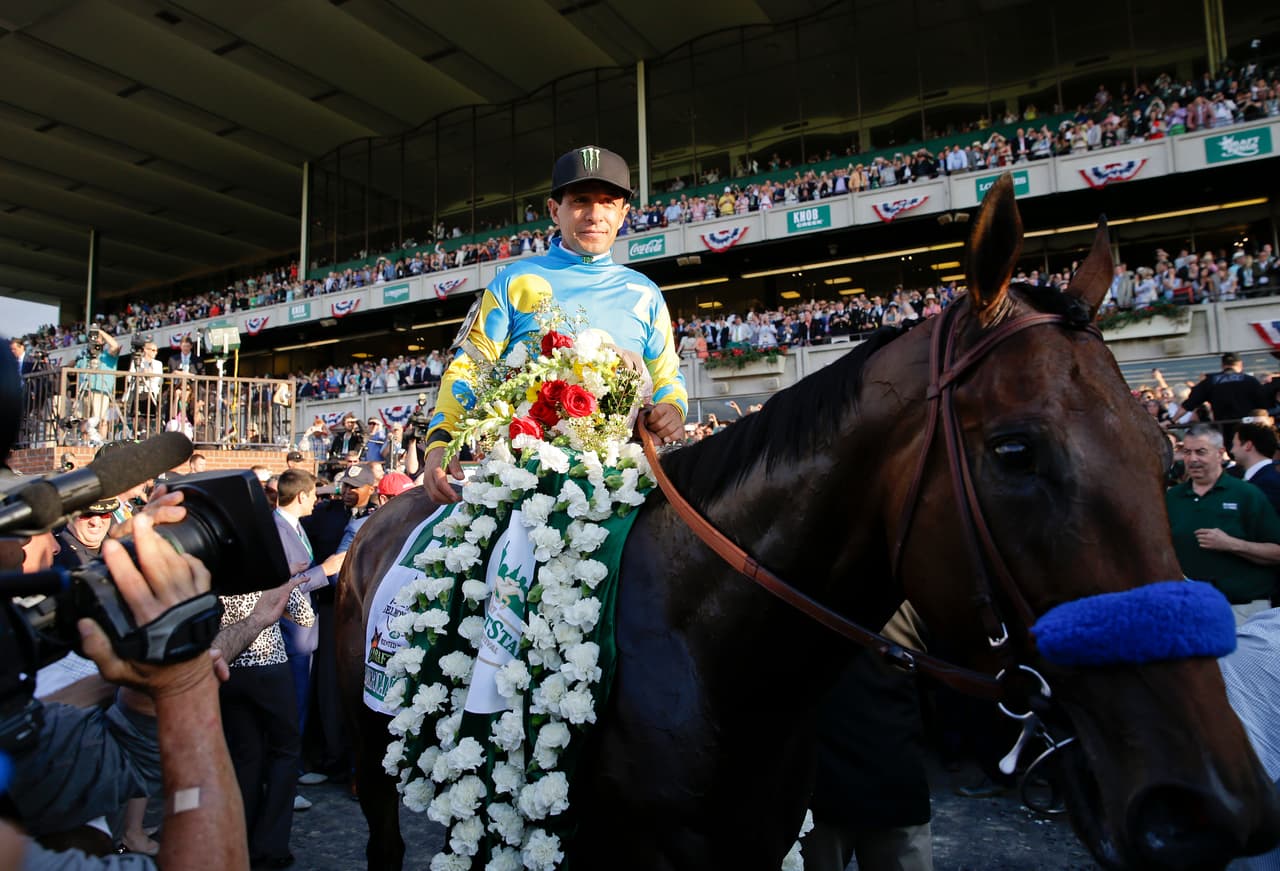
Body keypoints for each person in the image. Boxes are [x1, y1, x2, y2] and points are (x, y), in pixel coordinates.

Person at [424, 145, 687, 503]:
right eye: (580, 200)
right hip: (526, 482)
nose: (595, 215)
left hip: (628, 480)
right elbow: (469, 369)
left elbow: (667, 378)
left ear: (624, 213)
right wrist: (441, 442)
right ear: (554, 210)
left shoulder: (645, 293)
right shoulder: (514, 282)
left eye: (608, 202)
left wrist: (672, 409)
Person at [2, 514, 251, 871]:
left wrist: (146, 677)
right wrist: (186, 689)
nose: (47, 546)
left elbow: (124, 761)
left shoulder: (16, 731)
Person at [1166, 424, 1280, 624]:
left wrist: (1231, 544)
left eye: (1201, 452)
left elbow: (1276, 552)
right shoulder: (1172, 498)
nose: (1193, 459)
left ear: (1220, 454)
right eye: (1187, 452)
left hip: (1240, 610)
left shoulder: (1247, 494)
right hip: (1188, 609)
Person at [1174, 353, 1266, 446]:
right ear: (1240, 364)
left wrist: (1172, 420)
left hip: (1224, 430)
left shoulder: (1211, 381)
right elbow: (1264, 404)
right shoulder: (1250, 380)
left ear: (1222, 365)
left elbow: (1188, 404)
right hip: (1248, 428)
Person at [52, 497, 119, 569]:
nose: (96, 522)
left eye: (104, 514)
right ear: (69, 515)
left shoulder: (116, 541)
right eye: (87, 514)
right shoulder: (63, 559)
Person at [1231, 422, 1280, 514]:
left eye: (1234, 445)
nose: (1232, 450)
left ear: (1247, 445)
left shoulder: (1269, 481)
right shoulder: (1268, 475)